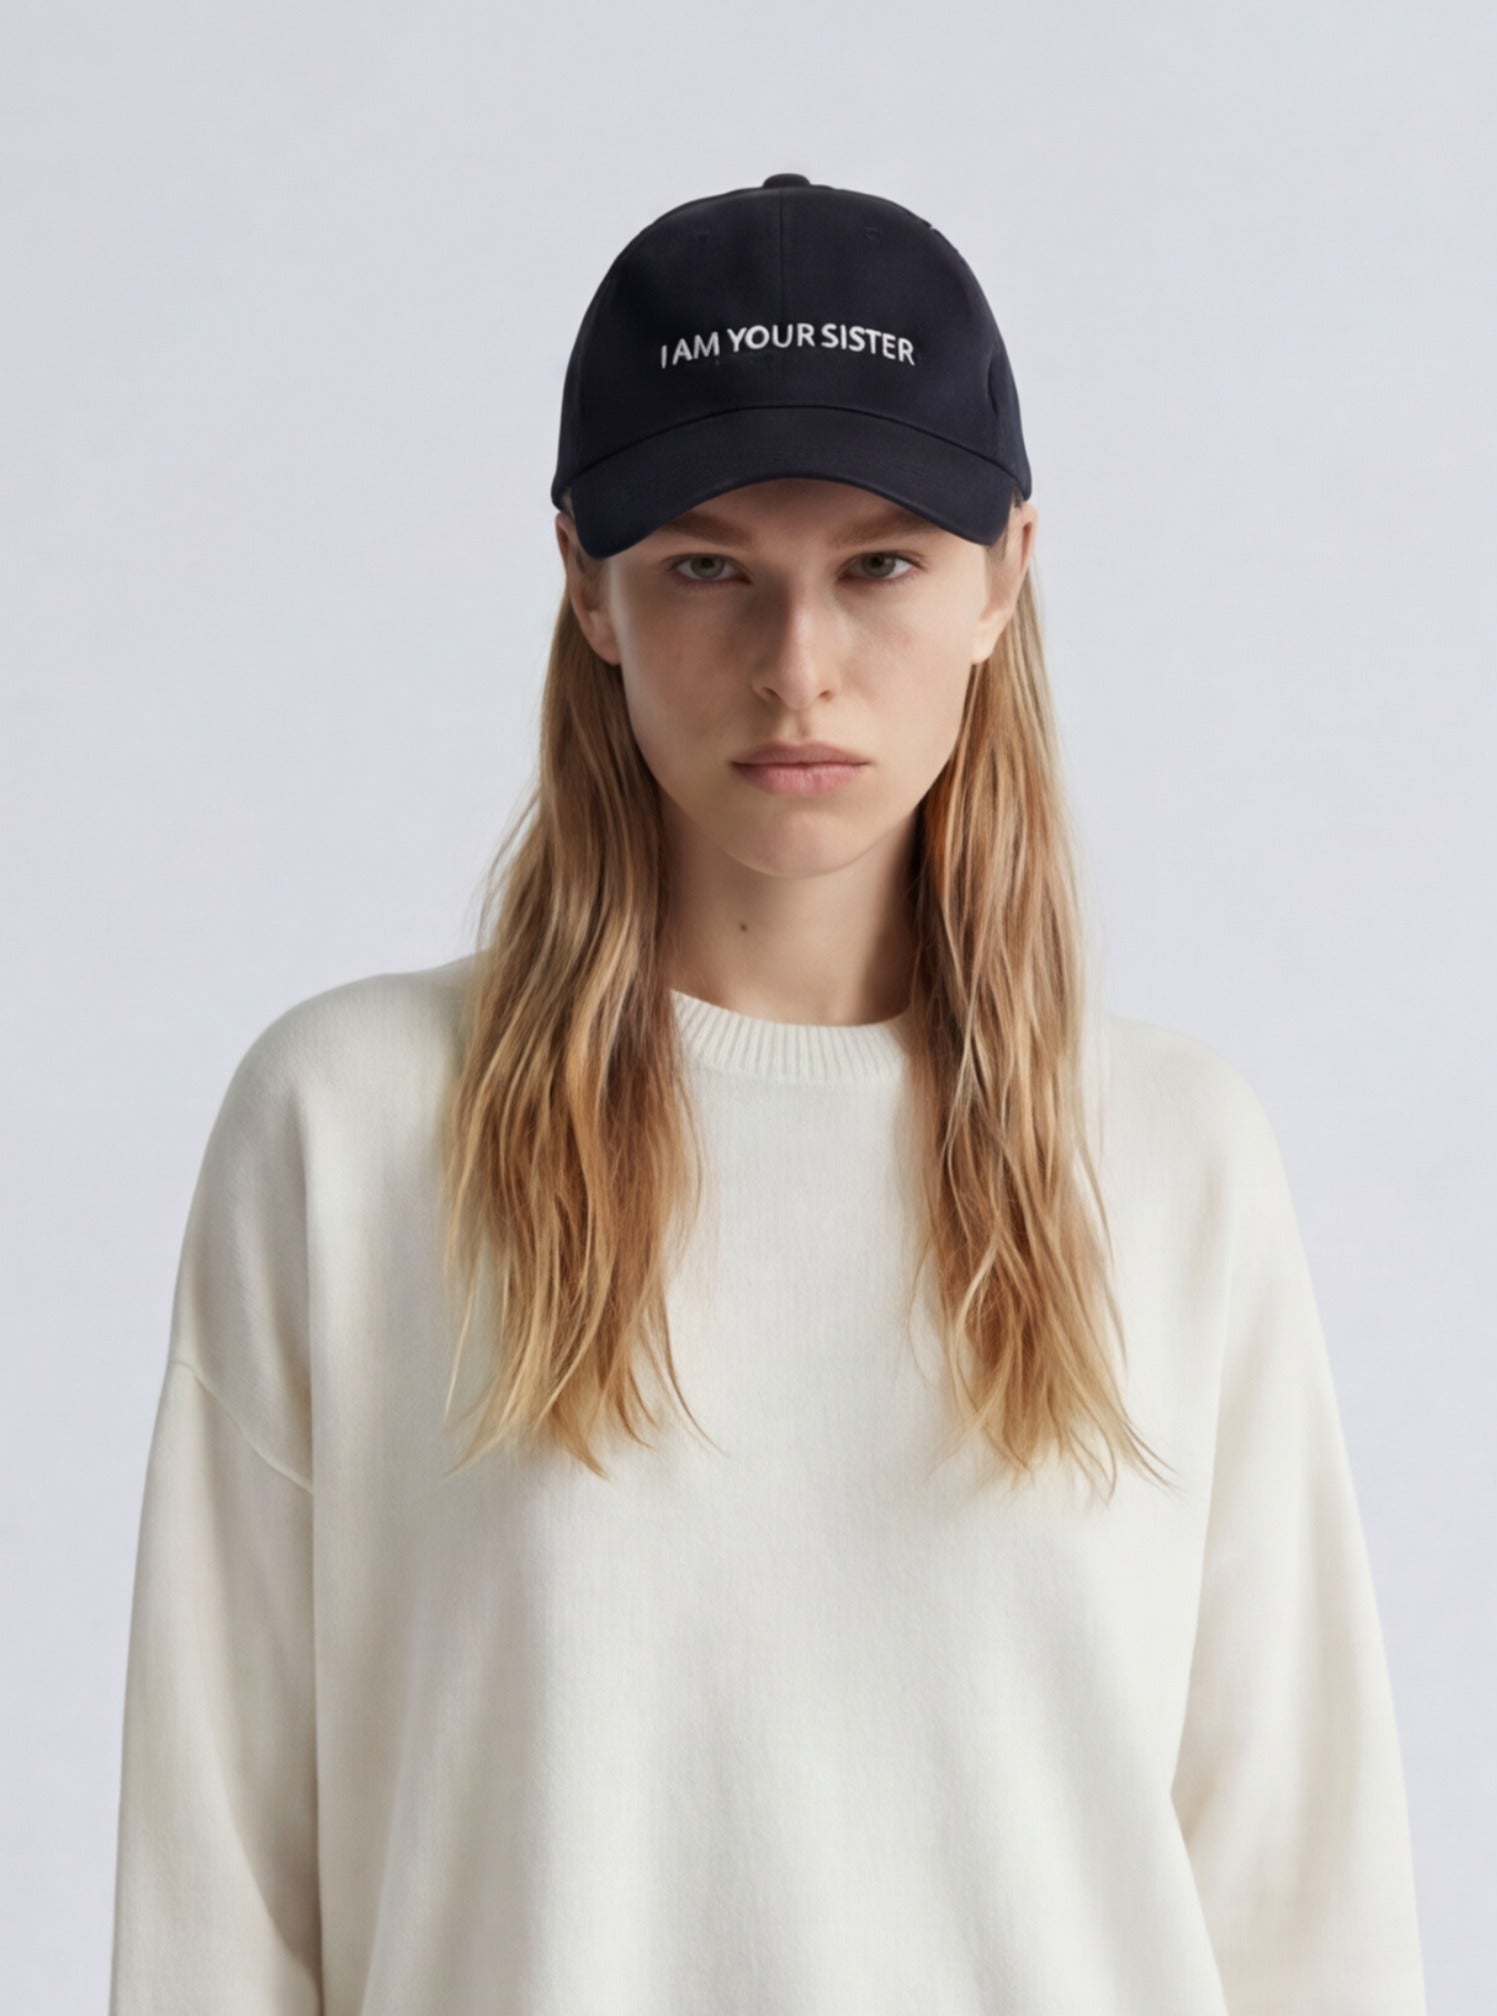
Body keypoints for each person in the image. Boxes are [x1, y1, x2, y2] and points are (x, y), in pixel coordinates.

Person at [108, 173, 1429, 2014]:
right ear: (586, 579)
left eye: (880, 564)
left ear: (1007, 577)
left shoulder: (1170, 1160)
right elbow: (215, 1910)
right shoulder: (349, 1133)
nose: (797, 666)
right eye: (709, 567)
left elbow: (1307, 1906)